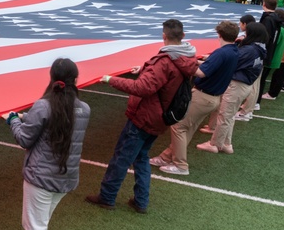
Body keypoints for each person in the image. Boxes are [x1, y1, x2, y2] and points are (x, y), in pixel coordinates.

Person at [84, 19, 198, 212]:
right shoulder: (186, 57)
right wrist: (145, 70)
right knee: (141, 157)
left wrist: (111, 80)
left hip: (145, 117)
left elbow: (142, 87)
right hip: (160, 117)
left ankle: (107, 196)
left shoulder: (165, 61)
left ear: (164, 36)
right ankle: (141, 201)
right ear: (183, 36)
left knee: (122, 158)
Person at [0, 58, 90, 230]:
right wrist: (25, 119)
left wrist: (12, 121)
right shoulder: (83, 108)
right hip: (65, 178)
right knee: (36, 224)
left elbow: (25, 139)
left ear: (52, 78)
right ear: (75, 80)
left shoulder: (44, 105)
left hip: (41, 178)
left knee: (36, 227)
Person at [150, 21, 239, 176]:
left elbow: (201, 73)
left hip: (204, 96)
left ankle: (180, 165)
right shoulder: (233, 51)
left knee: (178, 126)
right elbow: (210, 66)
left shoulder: (222, 52)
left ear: (219, 34)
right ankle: (166, 157)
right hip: (212, 98)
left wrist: (178, 60)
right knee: (187, 128)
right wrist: (190, 60)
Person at [197, 22, 266, 155]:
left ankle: (215, 144)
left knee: (224, 115)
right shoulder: (259, 49)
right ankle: (226, 144)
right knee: (229, 116)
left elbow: (228, 63)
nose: (243, 35)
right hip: (245, 85)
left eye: (246, 33)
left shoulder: (248, 50)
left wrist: (209, 61)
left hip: (237, 85)